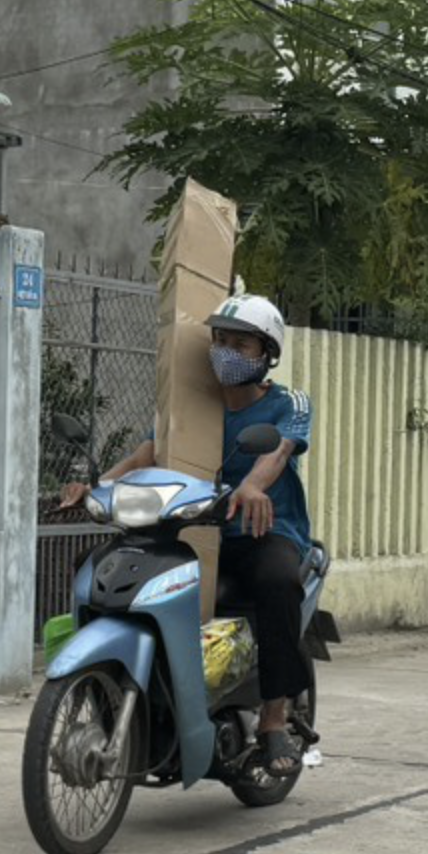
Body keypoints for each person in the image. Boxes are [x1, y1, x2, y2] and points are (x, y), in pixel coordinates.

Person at [57, 293, 316, 778]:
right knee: (96, 568)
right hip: (194, 534)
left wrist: (254, 485)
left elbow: (279, 450)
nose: (226, 351)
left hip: (262, 534)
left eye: (241, 344)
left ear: (267, 354)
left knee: (278, 581)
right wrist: (97, 487)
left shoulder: (289, 402)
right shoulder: (189, 406)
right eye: (219, 340)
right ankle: (108, 686)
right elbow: (144, 458)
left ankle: (275, 718)